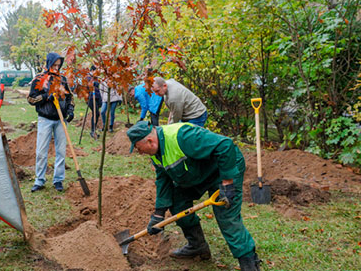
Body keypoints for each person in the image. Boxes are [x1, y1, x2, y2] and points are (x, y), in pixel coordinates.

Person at [126, 121, 260, 271]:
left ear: (149, 141)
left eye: (138, 148)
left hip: (224, 168)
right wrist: (158, 214)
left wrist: (228, 183)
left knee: (226, 216)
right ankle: (197, 246)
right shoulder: (155, 153)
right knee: (177, 202)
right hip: (198, 172)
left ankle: (248, 262)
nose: (140, 152)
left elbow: (225, 145)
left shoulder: (182, 136)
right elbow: (163, 180)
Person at [27, 52, 74, 193]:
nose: (57, 67)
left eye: (59, 65)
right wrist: (46, 96)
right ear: (49, 64)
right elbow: (31, 99)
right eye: (54, 65)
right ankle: (39, 180)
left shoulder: (63, 80)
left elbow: (70, 98)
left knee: (60, 151)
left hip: (60, 120)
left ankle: (58, 180)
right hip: (45, 119)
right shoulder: (40, 79)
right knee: (41, 151)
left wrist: (70, 111)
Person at [87, 66, 102, 139]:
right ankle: (92, 131)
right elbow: (89, 85)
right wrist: (93, 83)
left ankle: (94, 129)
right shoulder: (88, 77)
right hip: (91, 98)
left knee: (97, 114)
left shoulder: (96, 78)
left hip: (96, 98)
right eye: (95, 71)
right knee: (96, 113)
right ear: (92, 70)